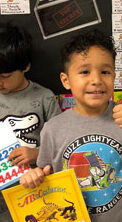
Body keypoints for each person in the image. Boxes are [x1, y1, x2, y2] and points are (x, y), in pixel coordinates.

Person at [20, 29, 122, 222]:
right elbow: (46, 182)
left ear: (114, 76)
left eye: (105, 72)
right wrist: (34, 177)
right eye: (84, 72)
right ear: (66, 80)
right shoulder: (52, 130)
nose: (96, 80)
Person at [0, 22, 61, 221]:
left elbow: (62, 145)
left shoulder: (45, 98)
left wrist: (36, 154)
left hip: (34, 192)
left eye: (5, 76)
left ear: (25, 66)